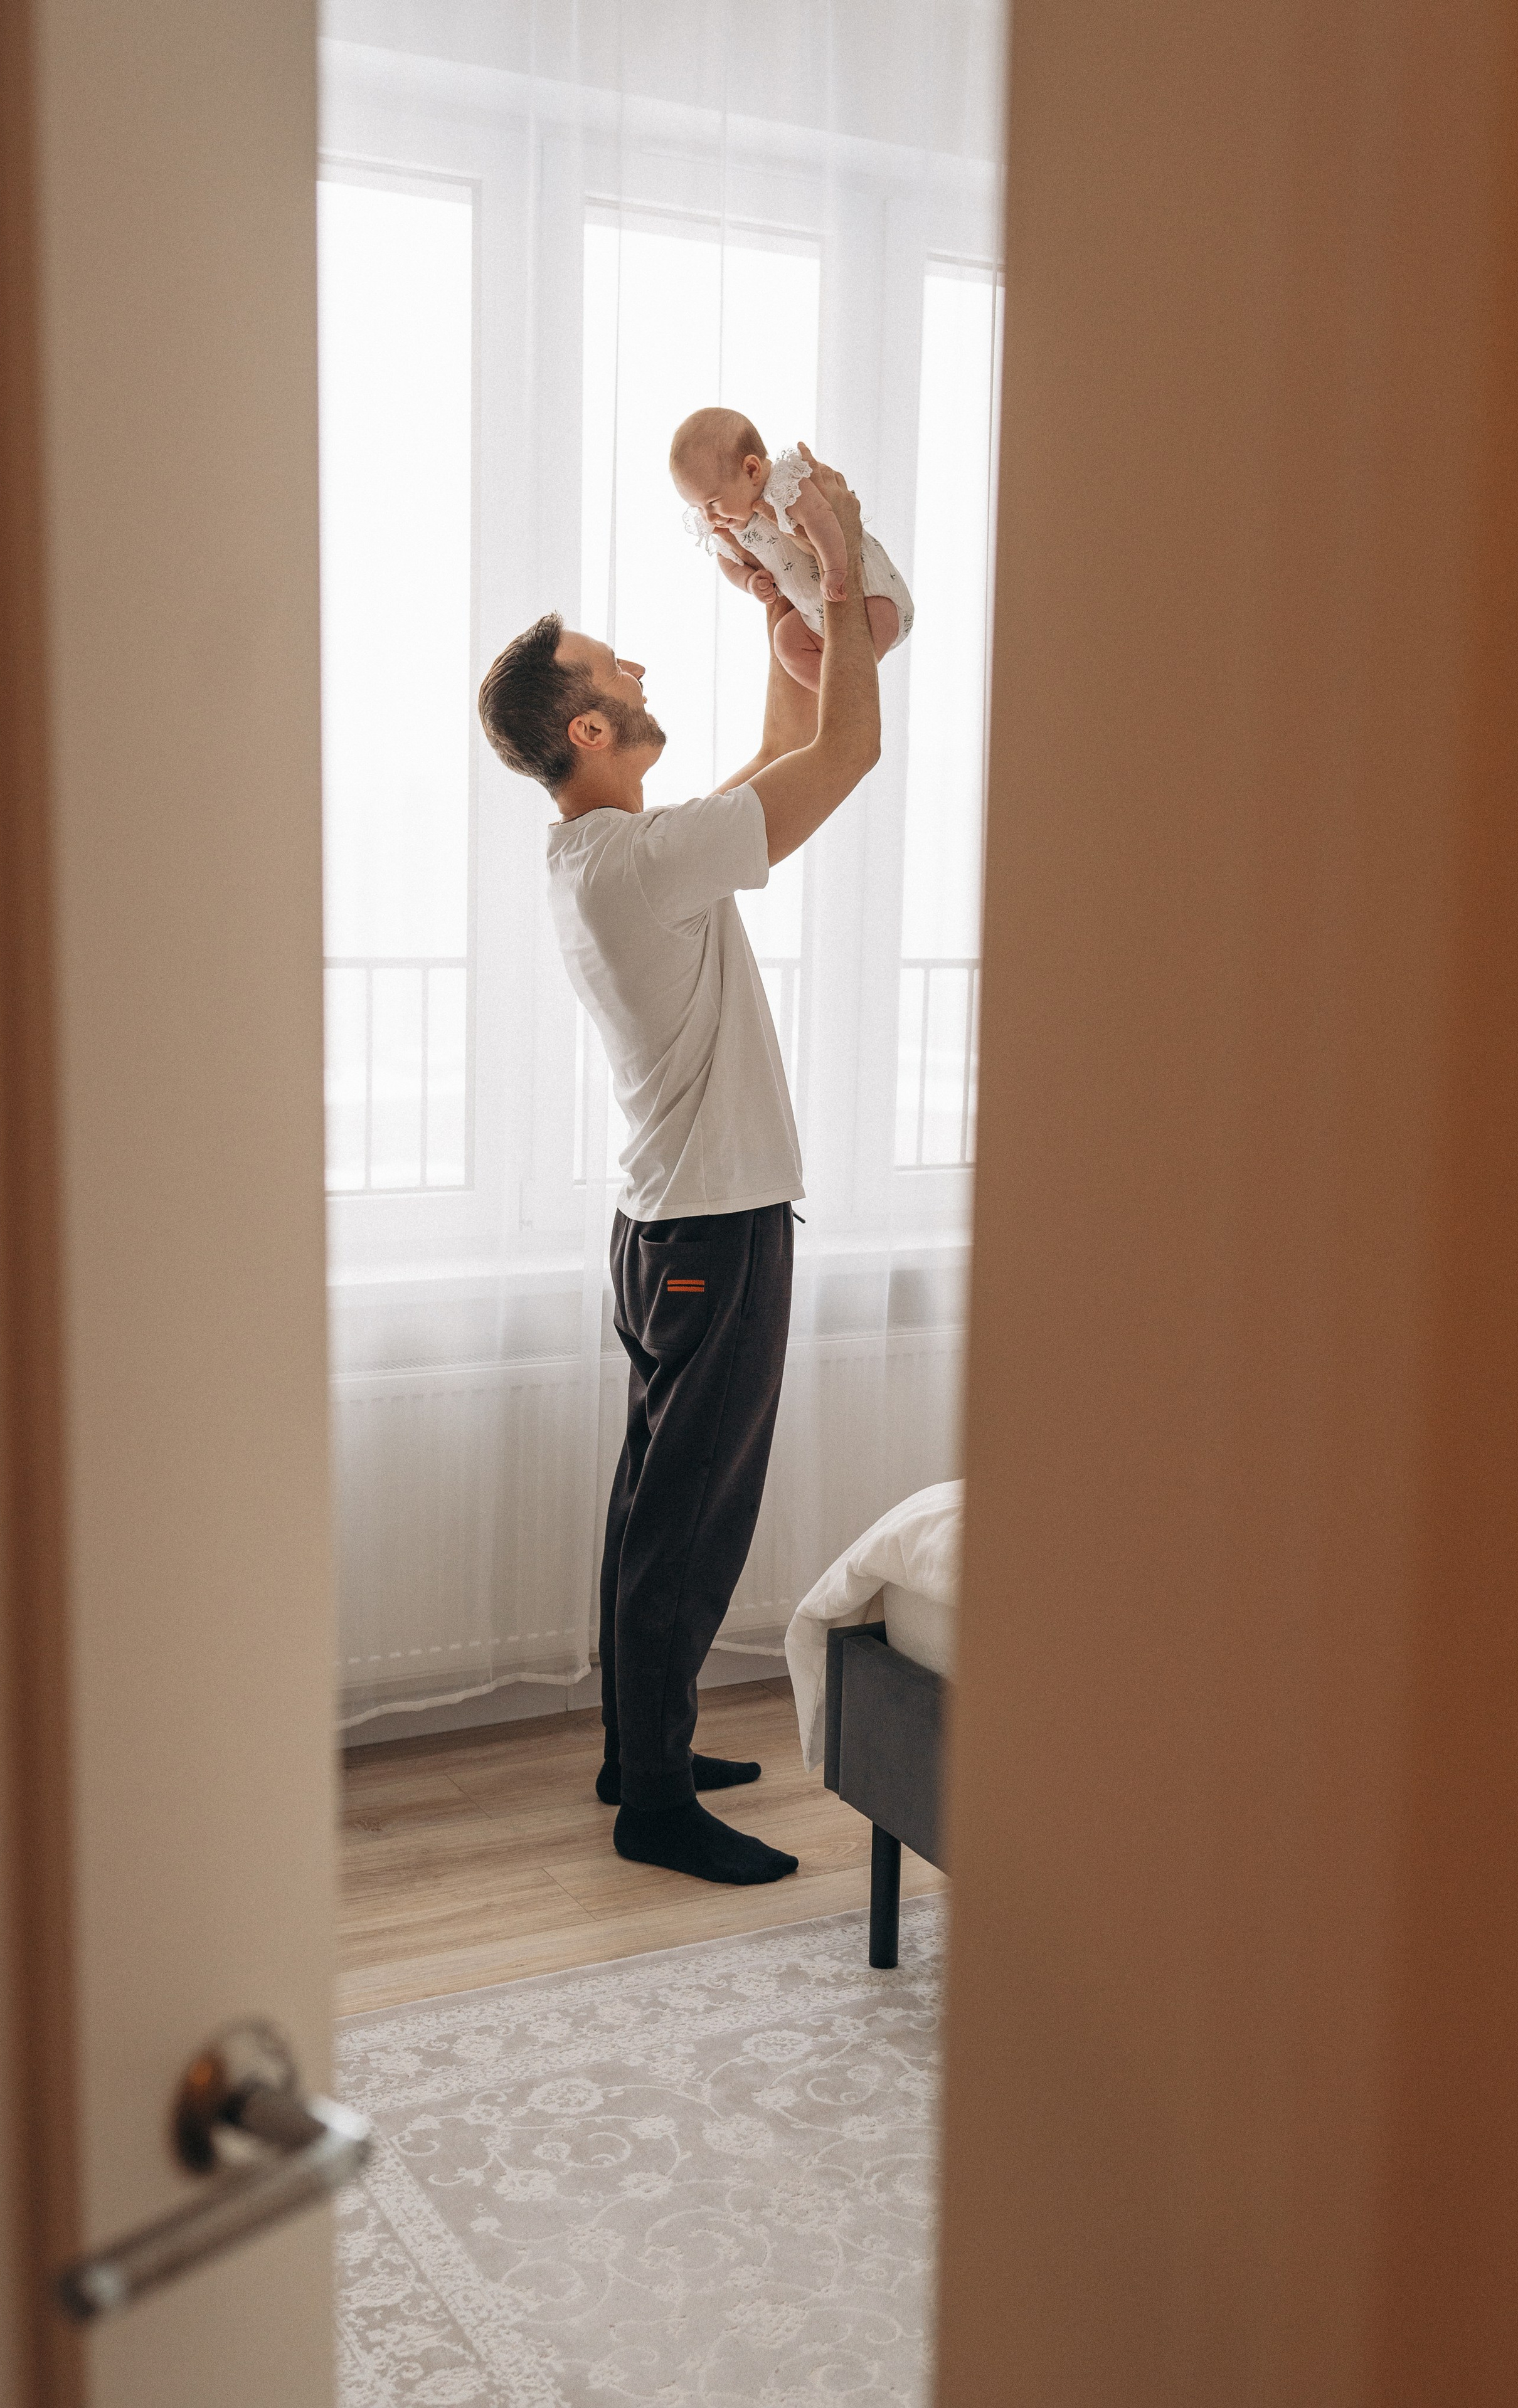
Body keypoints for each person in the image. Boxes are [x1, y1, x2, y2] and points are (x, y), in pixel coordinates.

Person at [477, 456, 880, 1886]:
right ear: (588, 723)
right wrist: (832, 588)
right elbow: (838, 768)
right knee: (687, 1513)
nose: (639, 661)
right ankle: (652, 1796)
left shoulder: (611, 852)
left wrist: (793, 648)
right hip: (707, 1220)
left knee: (656, 1498)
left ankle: (632, 1748)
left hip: (671, 1223)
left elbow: (770, 778)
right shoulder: (636, 864)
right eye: (613, 664)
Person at [669, 409, 913, 692]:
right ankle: (838, 694)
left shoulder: (783, 487)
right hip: (815, 615)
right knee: (785, 640)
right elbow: (729, 562)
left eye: (713, 502)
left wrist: (835, 569)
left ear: (752, 470)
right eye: (697, 507)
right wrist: (748, 581)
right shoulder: (727, 526)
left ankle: (857, 682)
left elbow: (822, 518)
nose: (708, 517)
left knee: (859, 651)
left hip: (870, 594)